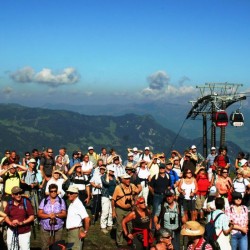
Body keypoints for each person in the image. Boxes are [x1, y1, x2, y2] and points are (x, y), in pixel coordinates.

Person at [112, 173, 140, 247]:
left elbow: (138, 191)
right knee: (120, 226)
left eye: (129, 178)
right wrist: (113, 211)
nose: (128, 180)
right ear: (122, 180)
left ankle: (131, 240)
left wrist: (135, 199)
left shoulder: (132, 186)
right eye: (126, 179)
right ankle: (119, 243)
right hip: (120, 209)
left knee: (130, 225)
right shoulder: (118, 188)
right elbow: (113, 200)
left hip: (129, 209)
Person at [38, 183, 67, 250]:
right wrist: (48, 215)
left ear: (57, 192)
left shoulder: (61, 201)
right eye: (51, 191)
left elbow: (64, 214)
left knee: (57, 246)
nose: (53, 193)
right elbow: (39, 213)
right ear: (49, 192)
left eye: (55, 191)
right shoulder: (44, 201)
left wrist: (55, 215)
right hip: (45, 227)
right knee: (45, 246)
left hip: (58, 227)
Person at [66, 185, 90, 250]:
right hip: (71, 232)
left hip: (76, 232)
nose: (68, 194)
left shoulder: (78, 204)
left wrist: (85, 231)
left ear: (76, 194)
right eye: (68, 193)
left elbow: (87, 218)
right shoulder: (72, 203)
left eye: (71, 193)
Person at [100, 164, 117, 234]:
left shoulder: (114, 177)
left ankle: (110, 224)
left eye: (113, 171)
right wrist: (107, 174)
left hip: (112, 196)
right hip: (105, 195)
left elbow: (116, 184)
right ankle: (103, 226)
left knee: (111, 211)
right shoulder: (103, 177)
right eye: (111, 171)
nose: (112, 172)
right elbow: (106, 183)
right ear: (108, 171)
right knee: (105, 211)